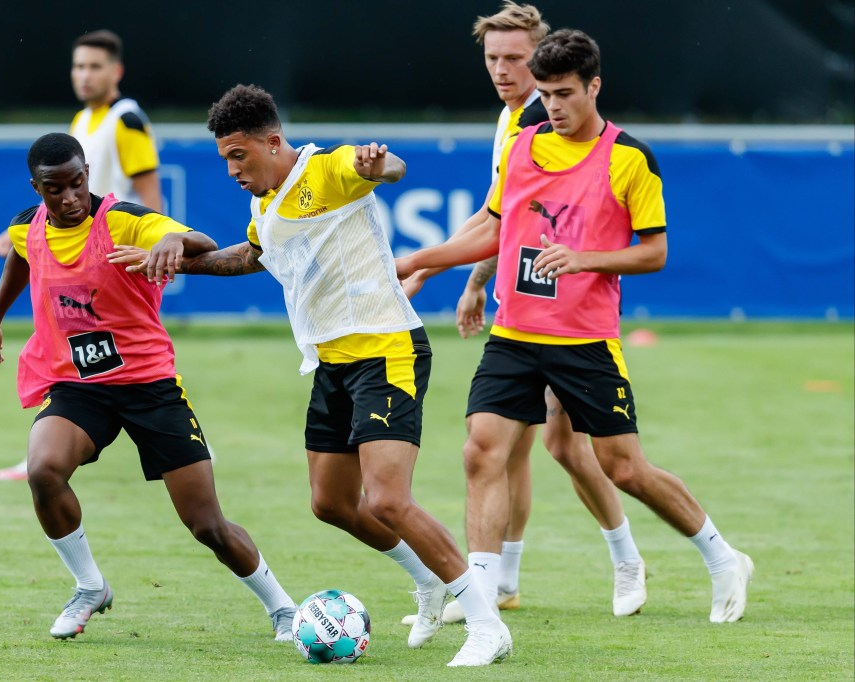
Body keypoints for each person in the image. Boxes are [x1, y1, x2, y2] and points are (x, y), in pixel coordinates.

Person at [110, 84, 511, 667]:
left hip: (386, 351)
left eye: (238, 155)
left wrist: (381, 165)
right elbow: (248, 257)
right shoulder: (265, 203)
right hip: (331, 363)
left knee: (388, 500)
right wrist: (169, 257)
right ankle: (426, 580)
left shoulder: (326, 170)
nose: (231, 169)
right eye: (224, 158)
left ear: (274, 142)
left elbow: (386, 166)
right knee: (331, 502)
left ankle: (484, 622)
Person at [395, 30, 754, 623]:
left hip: (585, 341)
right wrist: (418, 262)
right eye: (546, 94)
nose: (553, 107)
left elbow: (655, 252)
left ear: (594, 86)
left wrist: (586, 257)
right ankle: (481, 596)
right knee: (482, 452)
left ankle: (721, 558)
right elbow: (492, 229)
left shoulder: (629, 157)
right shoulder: (523, 146)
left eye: (564, 94)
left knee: (624, 468)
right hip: (515, 335)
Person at [0, 132, 297, 641]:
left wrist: (172, 240)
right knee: (43, 470)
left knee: (206, 525)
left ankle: (282, 609)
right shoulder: (26, 227)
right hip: (81, 386)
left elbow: (200, 242)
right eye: (55, 189)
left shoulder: (121, 218)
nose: (70, 198)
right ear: (37, 188)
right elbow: (21, 256)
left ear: (87, 175)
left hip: (150, 385)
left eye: (78, 183)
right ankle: (89, 586)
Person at [402, 1, 646, 624]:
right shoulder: (512, 117)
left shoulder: (543, 116)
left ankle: (623, 558)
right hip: (525, 306)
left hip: (566, 310)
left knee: (558, 448)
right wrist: (474, 281)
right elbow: (503, 221)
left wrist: (431, 269)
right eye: (493, 59)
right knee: (506, 449)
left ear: (540, 57)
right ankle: (502, 579)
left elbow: (505, 221)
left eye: (515, 58)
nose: (504, 70)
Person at [0, 29, 163, 481]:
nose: (85, 75)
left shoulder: (126, 120)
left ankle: (172, 436)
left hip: (112, 259)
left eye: (95, 66)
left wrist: (153, 254)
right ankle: (53, 439)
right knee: (63, 339)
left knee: (129, 355)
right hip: (73, 251)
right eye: (78, 66)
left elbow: (150, 196)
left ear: (116, 72)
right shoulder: (80, 122)